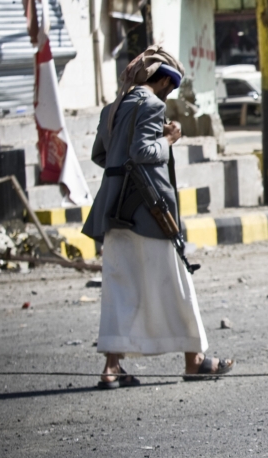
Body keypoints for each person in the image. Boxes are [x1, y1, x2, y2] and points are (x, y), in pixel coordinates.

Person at [82, 45, 234, 389]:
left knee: (120, 288)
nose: (170, 92)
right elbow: (144, 152)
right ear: (162, 79)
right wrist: (168, 138)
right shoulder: (151, 104)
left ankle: (111, 368)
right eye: (171, 85)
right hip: (148, 211)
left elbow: (100, 155)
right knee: (177, 283)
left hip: (114, 210)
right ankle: (194, 361)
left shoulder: (113, 108)